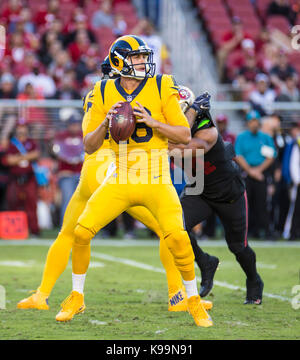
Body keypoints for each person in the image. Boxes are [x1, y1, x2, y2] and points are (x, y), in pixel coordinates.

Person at [17, 54, 213, 326]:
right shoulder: (111, 95)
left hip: (92, 172)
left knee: (69, 233)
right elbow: (108, 137)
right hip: (112, 168)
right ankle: (177, 295)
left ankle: (42, 294)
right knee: (165, 230)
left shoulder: (102, 92)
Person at [168, 89, 264, 305]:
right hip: (200, 191)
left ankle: (254, 280)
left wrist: (159, 139)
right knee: (175, 227)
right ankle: (205, 262)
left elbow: (185, 148)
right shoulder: (173, 128)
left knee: (238, 246)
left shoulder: (207, 131)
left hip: (229, 195)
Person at [234, 110, 277, 238]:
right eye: (251, 121)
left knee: (262, 204)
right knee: (246, 205)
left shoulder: (265, 138)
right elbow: (238, 156)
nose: (254, 124)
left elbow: (271, 156)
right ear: (248, 123)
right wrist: (251, 171)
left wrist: (258, 170)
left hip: (261, 173)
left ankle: (265, 231)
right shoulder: (241, 137)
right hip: (247, 174)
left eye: (256, 121)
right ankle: (248, 231)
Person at [2, 121, 40, 236]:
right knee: (13, 203)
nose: (21, 130)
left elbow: (36, 154)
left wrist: (17, 158)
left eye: (23, 127)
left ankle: (34, 230)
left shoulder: (31, 142)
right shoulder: (11, 144)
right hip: (15, 178)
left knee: (31, 205)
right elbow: (8, 160)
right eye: (19, 127)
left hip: (29, 178)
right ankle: (14, 230)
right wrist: (26, 157)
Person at [52, 113, 84, 226]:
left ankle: (83, 227)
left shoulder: (83, 135)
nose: (75, 127)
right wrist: (69, 159)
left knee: (83, 202)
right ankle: (65, 226)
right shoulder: (61, 136)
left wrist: (77, 158)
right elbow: (57, 151)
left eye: (76, 124)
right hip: (66, 174)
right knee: (67, 201)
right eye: (72, 124)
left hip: (81, 174)